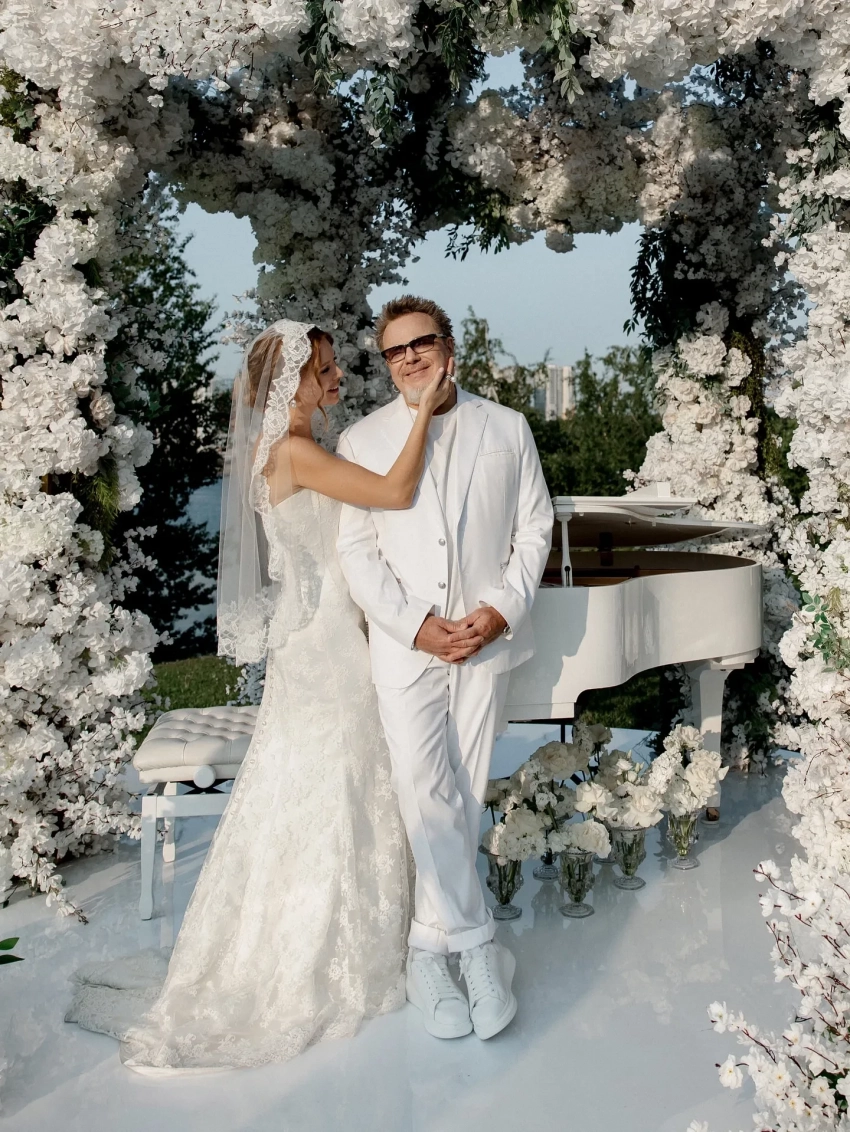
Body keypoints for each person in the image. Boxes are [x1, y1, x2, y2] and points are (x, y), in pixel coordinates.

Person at [65, 319, 454, 1071]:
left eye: (334, 367)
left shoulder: (283, 448)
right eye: (325, 370)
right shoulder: (296, 452)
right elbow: (394, 492)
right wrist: (425, 410)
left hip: (314, 634)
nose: (336, 379)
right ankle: (325, 950)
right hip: (326, 643)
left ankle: (358, 933)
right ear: (291, 383)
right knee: (335, 779)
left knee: (319, 781)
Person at [337, 295, 553, 1041]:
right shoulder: (362, 439)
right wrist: (413, 625)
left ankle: (428, 954)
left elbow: (535, 527)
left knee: (463, 786)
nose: (409, 358)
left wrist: (499, 610)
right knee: (424, 790)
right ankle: (479, 949)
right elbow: (357, 552)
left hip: (483, 639)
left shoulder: (508, 427)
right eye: (394, 351)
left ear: (447, 346)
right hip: (408, 647)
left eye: (420, 343)